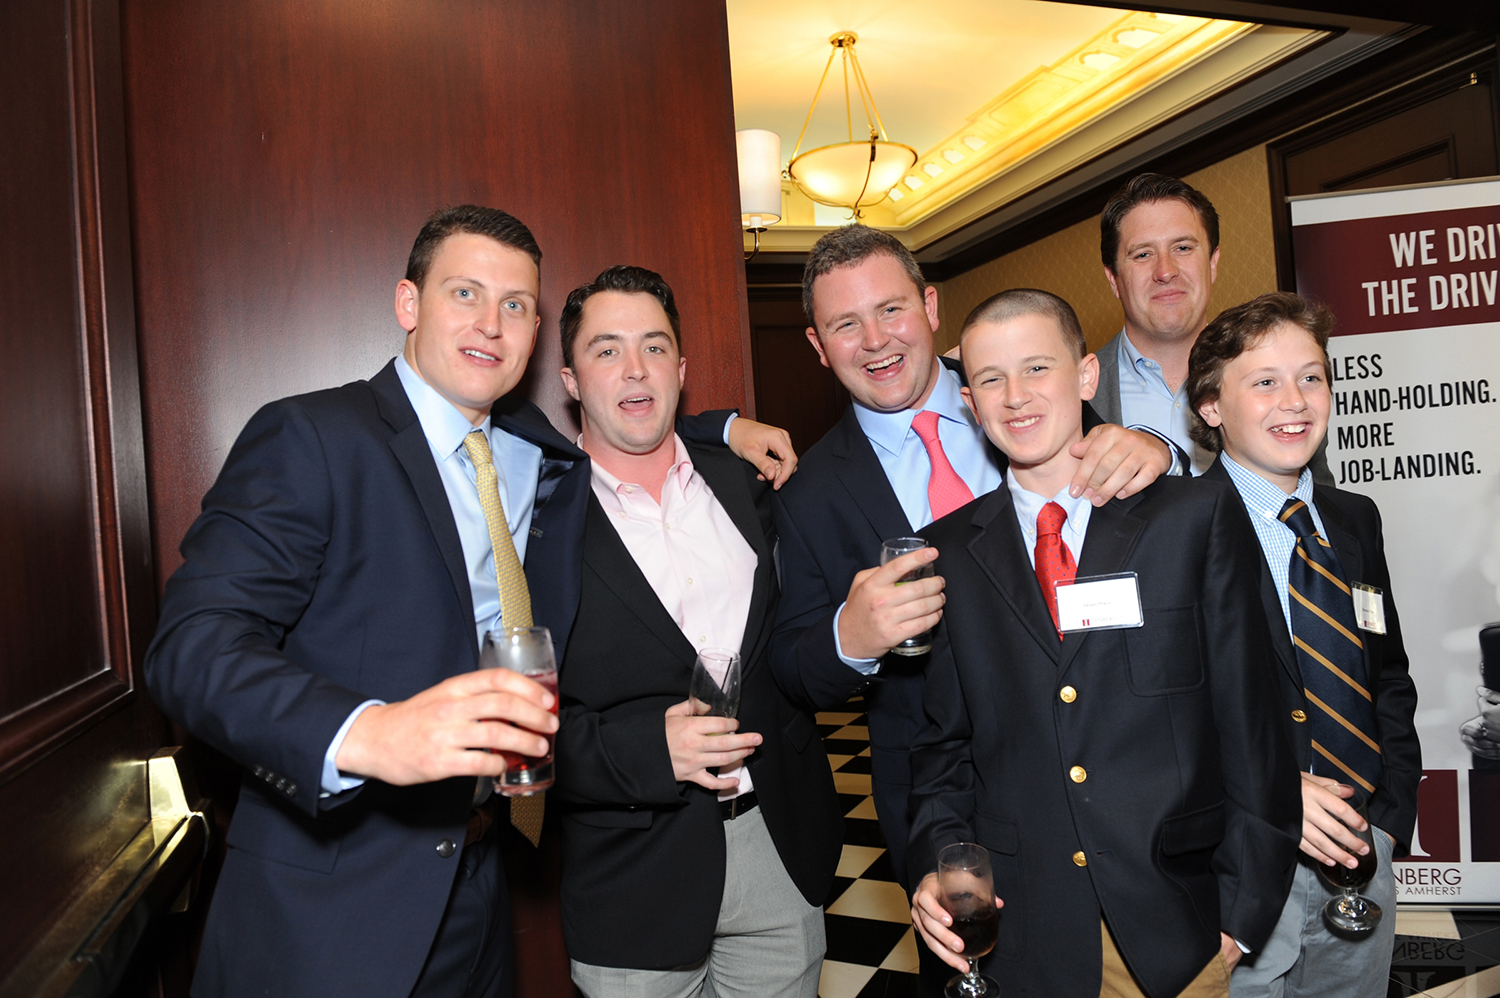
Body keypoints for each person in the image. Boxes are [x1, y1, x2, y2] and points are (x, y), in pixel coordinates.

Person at [144, 206, 796, 998]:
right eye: (465, 293)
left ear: (534, 335)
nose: (491, 323)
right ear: (408, 304)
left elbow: (635, 414)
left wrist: (724, 428)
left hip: (480, 882)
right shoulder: (313, 436)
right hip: (332, 906)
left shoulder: (534, 453)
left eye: (515, 304)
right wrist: (367, 733)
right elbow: (192, 646)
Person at [908, 288, 1301, 998]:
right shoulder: (949, 555)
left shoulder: (1191, 518)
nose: (1016, 396)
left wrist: (1240, 920)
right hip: (1023, 934)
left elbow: (1254, 727)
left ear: (1086, 376)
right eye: (991, 379)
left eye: (1037, 368)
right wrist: (940, 866)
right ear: (970, 403)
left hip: (1173, 925)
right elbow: (944, 755)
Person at [770, 224, 1177, 893]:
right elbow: (790, 667)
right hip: (948, 810)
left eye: (891, 309)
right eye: (846, 324)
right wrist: (850, 636)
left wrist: (1159, 448)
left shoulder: (1026, 387)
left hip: (1129, 777)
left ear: (930, 307)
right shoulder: (805, 492)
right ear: (818, 346)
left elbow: (1149, 503)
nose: (875, 340)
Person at [551, 266, 841, 998]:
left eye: (654, 346)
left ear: (680, 370)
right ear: (570, 380)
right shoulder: (536, 523)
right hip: (632, 876)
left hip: (778, 847)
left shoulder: (746, 481)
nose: (635, 368)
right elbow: (520, 727)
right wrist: (651, 751)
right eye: (607, 350)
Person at [1188, 292, 1420, 998]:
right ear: (1211, 406)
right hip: (1238, 863)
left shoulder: (1355, 518)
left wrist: (1389, 817)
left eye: (1311, 377)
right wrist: (1270, 791)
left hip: (1361, 851)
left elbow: (1387, 674)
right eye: (1264, 382)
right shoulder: (1175, 531)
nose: (1295, 401)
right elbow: (1159, 720)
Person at [1094, 174, 1334, 482]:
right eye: (1143, 254)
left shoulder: (1286, 384)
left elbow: (1315, 501)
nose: (1165, 271)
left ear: (1212, 263)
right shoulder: (1075, 396)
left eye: (1183, 248)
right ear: (1113, 279)